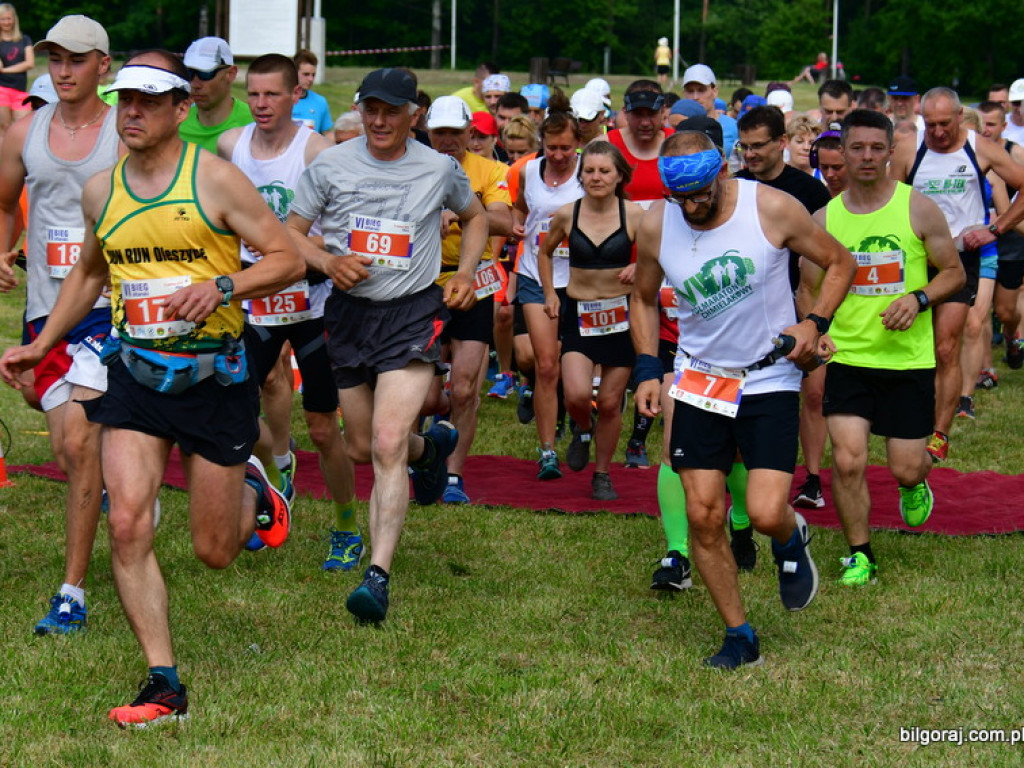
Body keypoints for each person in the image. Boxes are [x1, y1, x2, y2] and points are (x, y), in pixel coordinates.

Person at [2, 50, 302, 726]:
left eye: (148, 101)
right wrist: (43, 343)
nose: (131, 112)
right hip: (135, 375)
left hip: (214, 378)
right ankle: (164, 685)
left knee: (213, 551)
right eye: (125, 101)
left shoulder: (215, 180)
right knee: (129, 521)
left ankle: (256, 492)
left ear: (180, 109)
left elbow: (285, 258)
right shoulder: (101, 191)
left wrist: (222, 285)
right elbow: (89, 272)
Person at [631, 130, 856, 668]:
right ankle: (739, 636)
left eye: (700, 195)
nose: (691, 207)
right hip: (699, 378)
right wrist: (648, 368)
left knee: (763, 511)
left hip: (768, 375)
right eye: (680, 198)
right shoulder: (658, 224)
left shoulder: (770, 208)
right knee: (704, 515)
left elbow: (841, 263)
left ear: (722, 173)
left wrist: (813, 322)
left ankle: (790, 536)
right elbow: (641, 297)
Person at [286, 68, 488, 623]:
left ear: (413, 116)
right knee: (360, 446)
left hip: (412, 312)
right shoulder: (330, 164)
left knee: (386, 440)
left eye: (391, 111)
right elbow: (289, 232)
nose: (378, 121)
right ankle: (431, 452)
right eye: (370, 109)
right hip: (349, 315)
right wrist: (327, 261)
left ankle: (377, 576)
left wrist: (465, 272)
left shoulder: (438, 167)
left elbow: (475, 217)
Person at [0, 14, 122, 636]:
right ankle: (120, 489)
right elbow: (5, 202)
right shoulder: (27, 130)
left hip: (108, 308)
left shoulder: (124, 133)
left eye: (77, 59)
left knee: (77, 444)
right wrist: (4, 249)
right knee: (67, 451)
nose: (64, 70)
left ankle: (71, 591)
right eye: (55, 59)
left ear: (103, 65)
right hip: (46, 309)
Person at [217, 53, 358, 569]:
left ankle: (346, 525)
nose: (261, 104)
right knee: (233, 412)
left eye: (272, 94)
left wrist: (290, 251)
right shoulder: (230, 145)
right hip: (255, 300)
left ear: (296, 94)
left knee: (322, 427)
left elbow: (339, 234)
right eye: (253, 94)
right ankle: (277, 484)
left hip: (311, 301)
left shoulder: (316, 150)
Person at [815, 109, 964, 586]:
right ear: (842, 150)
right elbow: (808, 286)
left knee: (905, 467)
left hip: (906, 360)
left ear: (890, 152)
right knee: (847, 460)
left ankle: (915, 484)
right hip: (849, 357)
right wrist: (817, 327)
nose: (866, 156)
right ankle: (860, 555)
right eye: (857, 147)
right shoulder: (825, 219)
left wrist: (918, 299)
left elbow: (954, 273)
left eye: (876, 148)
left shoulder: (917, 208)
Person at [890, 87, 1024, 461]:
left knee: (946, 347)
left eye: (944, 124)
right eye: (931, 124)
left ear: (960, 116)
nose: (938, 132)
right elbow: (890, 200)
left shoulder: (980, 148)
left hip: (960, 259)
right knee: (911, 348)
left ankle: (940, 432)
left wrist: (995, 229)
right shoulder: (909, 149)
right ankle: (911, 417)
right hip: (915, 258)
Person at [734, 105, 833, 522]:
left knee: (813, 393)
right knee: (747, 397)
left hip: (802, 302)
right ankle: (749, 482)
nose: (751, 154)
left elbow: (830, 256)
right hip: (748, 309)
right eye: (744, 147)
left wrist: (818, 316)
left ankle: (812, 478)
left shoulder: (809, 191)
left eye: (759, 145)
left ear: (782, 143)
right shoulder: (734, 188)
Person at [537, 141, 644, 500]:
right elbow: (544, 252)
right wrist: (550, 293)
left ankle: (602, 474)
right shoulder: (568, 214)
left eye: (604, 171)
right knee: (577, 395)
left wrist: (638, 264)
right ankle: (583, 428)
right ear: (581, 175)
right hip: (580, 315)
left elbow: (659, 255)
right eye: (590, 171)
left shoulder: (635, 215)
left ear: (619, 176)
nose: (596, 177)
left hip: (621, 318)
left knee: (611, 403)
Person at [424, 95, 512, 504]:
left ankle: (454, 476)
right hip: (423, 285)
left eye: (454, 132)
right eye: (439, 132)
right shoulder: (411, 166)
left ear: (469, 133)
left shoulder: (491, 169)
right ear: (427, 132)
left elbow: (505, 221)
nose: (447, 140)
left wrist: (461, 211)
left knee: (464, 389)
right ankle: (424, 449)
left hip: (475, 283)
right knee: (425, 396)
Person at [512, 98, 584, 479]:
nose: (557, 155)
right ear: (542, 142)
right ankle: (547, 451)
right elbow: (521, 207)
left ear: (578, 144)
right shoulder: (529, 170)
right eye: (551, 147)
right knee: (545, 364)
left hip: (581, 279)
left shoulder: (589, 172)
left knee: (576, 374)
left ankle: (581, 425)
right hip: (535, 275)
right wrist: (516, 224)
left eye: (565, 148)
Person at [178, 37, 252, 152]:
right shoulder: (175, 125)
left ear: (231, 74)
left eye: (205, 74)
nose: (195, 84)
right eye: (189, 73)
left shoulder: (253, 124)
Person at [0, 3, 33, 133]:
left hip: (20, 91)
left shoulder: (24, 39)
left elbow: (30, 63)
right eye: (3, 19)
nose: (6, 22)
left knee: (23, 129)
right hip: (2, 90)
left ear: (14, 19)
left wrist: (5, 70)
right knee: (4, 128)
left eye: (9, 18)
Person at [292, 49, 332, 136]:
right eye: (306, 74)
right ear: (293, 73)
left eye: (313, 75)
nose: (311, 79)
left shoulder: (320, 102)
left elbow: (327, 133)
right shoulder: (281, 101)